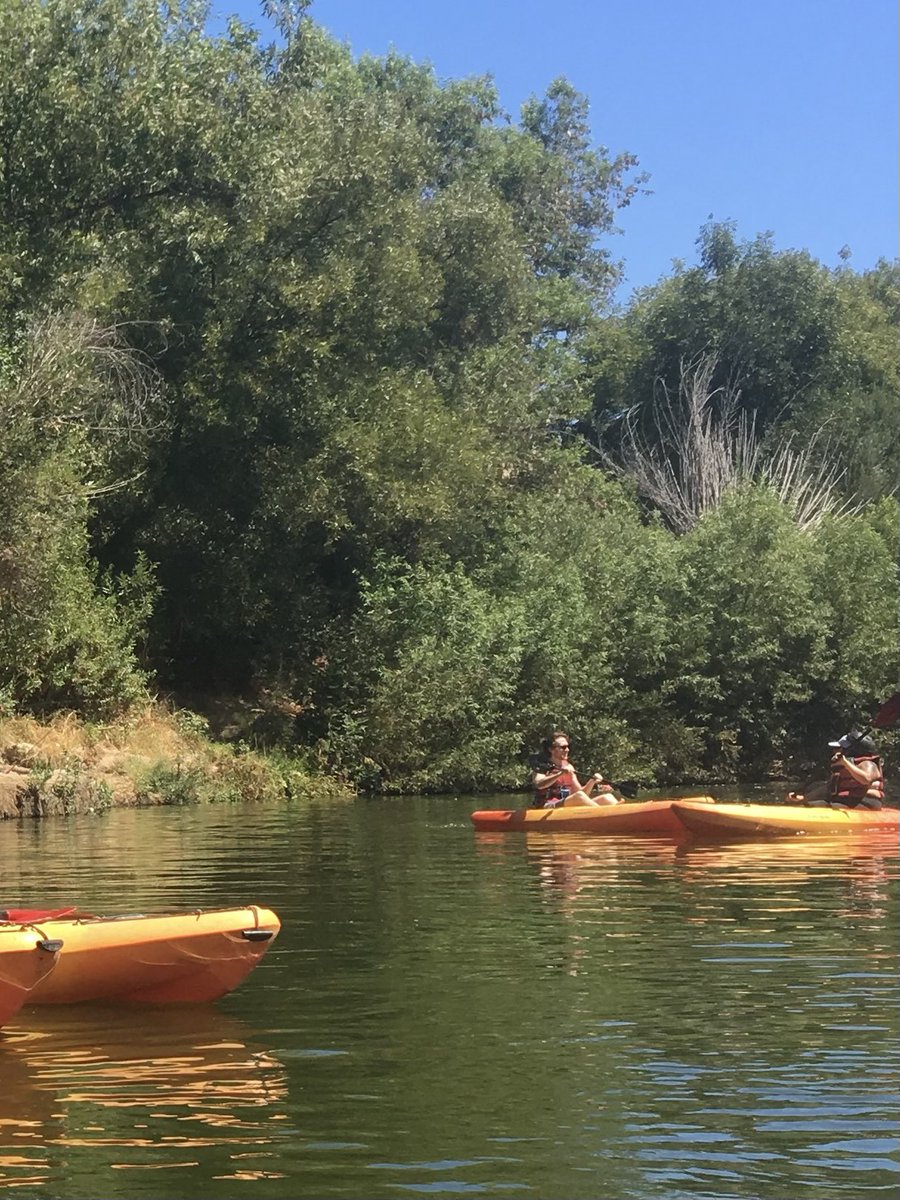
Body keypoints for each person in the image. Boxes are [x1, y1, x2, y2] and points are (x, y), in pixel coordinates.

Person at [787, 730, 885, 810]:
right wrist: (804, 798)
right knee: (808, 804)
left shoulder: (868, 764)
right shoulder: (841, 767)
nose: (835, 750)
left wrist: (844, 762)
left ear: (852, 750)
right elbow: (828, 788)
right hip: (846, 803)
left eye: (840, 747)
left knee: (813, 807)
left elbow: (866, 779)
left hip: (866, 804)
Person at [531, 732, 619, 808]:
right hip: (547, 806)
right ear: (551, 749)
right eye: (563, 747)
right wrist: (560, 774)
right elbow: (539, 784)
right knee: (579, 797)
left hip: (565, 805)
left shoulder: (569, 766)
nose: (567, 750)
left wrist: (592, 781)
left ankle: (617, 815)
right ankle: (603, 815)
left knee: (608, 797)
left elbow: (581, 793)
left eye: (568, 746)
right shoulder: (542, 766)